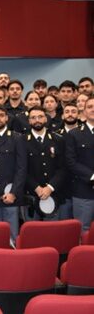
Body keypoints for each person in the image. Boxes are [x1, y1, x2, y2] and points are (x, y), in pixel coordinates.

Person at [0, 105, 26, 242]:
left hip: (10, 195)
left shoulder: (17, 138)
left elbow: (21, 168)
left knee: (12, 236)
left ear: (7, 118)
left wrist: (14, 192)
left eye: (1, 115)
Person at [24, 106, 65, 221]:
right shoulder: (21, 141)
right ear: (29, 121)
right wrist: (36, 187)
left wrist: (50, 187)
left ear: (46, 119)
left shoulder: (58, 139)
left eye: (40, 117)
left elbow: (63, 168)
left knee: (52, 235)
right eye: (33, 117)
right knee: (32, 235)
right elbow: (21, 169)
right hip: (31, 194)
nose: (37, 120)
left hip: (53, 193)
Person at [65, 96, 94, 231]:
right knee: (83, 229)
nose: (93, 109)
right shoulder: (74, 134)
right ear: (84, 111)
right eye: (90, 107)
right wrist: (92, 176)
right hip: (83, 190)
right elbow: (71, 161)